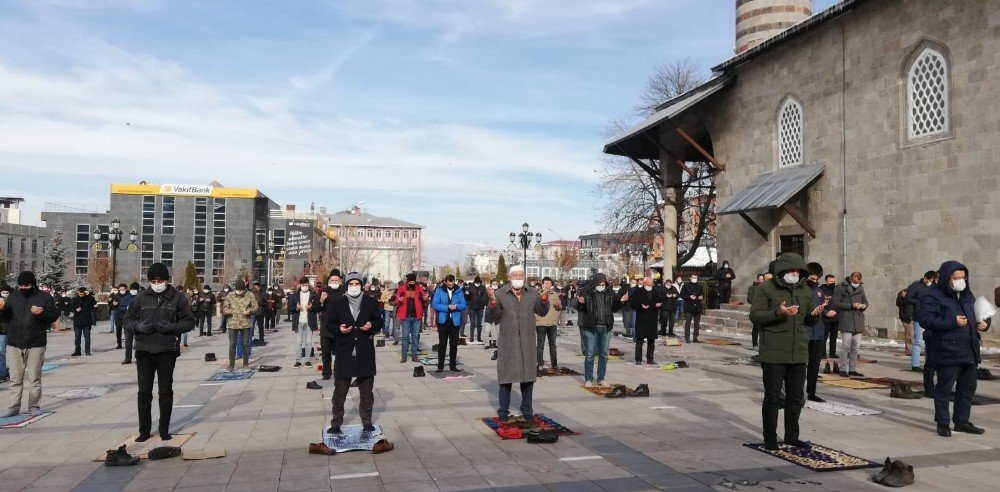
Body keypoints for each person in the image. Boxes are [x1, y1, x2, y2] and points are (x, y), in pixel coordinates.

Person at [748, 253, 822, 450]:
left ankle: (792, 436)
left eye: (798, 271)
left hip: (798, 351)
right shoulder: (765, 288)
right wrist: (778, 313)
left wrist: (815, 315)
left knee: (796, 397)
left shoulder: (805, 291)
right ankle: (770, 437)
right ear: (781, 271)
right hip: (773, 351)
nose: (795, 274)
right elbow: (755, 315)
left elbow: (808, 318)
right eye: (791, 271)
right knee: (773, 397)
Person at [917, 261, 991, 437]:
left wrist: (984, 323)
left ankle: (962, 421)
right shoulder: (933, 295)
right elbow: (925, 320)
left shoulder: (967, 294)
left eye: (963, 277)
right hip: (947, 350)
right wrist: (952, 322)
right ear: (946, 278)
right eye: (956, 278)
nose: (960, 281)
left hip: (969, 349)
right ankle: (942, 422)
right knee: (944, 389)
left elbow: (980, 312)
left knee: (967, 389)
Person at [122, 263, 195, 441]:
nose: (156, 283)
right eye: (153, 281)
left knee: (165, 391)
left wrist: (174, 327)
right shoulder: (141, 297)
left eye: (159, 280)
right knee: (144, 392)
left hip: (166, 349)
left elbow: (190, 322)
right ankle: (144, 431)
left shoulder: (178, 297)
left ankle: (164, 430)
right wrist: (137, 327)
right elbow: (127, 320)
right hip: (144, 349)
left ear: (166, 280)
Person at [485, 265, 550, 422]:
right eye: (515, 276)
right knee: (506, 378)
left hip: (527, 341)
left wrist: (544, 298)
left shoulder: (532, 293)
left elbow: (542, 311)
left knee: (528, 377)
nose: (518, 278)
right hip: (508, 341)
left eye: (521, 275)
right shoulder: (500, 293)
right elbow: (493, 316)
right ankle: (503, 411)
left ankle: (527, 410)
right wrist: (493, 302)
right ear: (509, 277)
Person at [325, 273, 382, 434]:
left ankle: (367, 420)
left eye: (357, 283)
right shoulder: (338, 303)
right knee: (340, 391)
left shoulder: (370, 302)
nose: (354, 286)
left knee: (366, 391)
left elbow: (379, 321)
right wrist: (339, 329)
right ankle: (336, 422)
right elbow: (329, 324)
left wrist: (372, 325)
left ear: (362, 285)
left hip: (365, 351)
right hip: (345, 351)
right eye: (352, 283)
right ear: (347, 285)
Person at [1, 272, 59, 417]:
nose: (24, 288)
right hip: (15, 342)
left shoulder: (44, 297)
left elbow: (53, 316)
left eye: (27, 285)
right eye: (21, 286)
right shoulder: (13, 297)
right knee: (15, 378)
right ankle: (13, 407)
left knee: (34, 377)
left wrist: (41, 313)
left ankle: (34, 405)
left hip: (36, 343)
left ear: (33, 284)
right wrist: (1, 310)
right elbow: (5, 318)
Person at [577, 272, 624, 387]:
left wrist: (622, 301)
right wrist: (581, 303)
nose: (602, 286)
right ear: (595, 283)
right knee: (590, 354)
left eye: (604, 284)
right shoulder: (586, 291)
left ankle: (601, 378)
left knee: (604, 354)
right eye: (600, 284)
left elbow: (614, 308)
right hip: (591, 327)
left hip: (606, 326)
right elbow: (579, 308)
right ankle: (588, 379)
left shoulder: (609, 292)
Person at [832, 272, 868, 377]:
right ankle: (843, 369)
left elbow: (866, 301)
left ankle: (852, 369)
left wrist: (863, 306)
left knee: (855, 347)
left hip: (858, 319)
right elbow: (835, 303)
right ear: (851, 278)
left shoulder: (861, 287)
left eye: (859, 281)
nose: (858, 282)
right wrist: (851, 306)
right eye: (856, 280)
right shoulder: (840, 287)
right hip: (846, 318)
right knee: (845, 346)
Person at [431, 275, 466, 372]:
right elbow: (435, 304)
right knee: (442, 344)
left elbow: (463, 305)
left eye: (452, 283)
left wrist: (456, 306)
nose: (451, 285)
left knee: (454, 345)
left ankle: (453, 366)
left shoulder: (459, 291)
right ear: (445, 282)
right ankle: (440, 366)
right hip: (443, 321)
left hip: (455, 321)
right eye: (449, 283)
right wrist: (447, 307)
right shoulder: (439, 291)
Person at [316, 270, 347, 380]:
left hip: (341, 327)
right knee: (326, 353)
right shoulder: (323, 291)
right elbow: (317, 308)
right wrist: (321, 300)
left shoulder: (345, 291)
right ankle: (326, 373)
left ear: (340, 281)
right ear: (328, 281)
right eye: (332, 280)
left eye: (336, 280)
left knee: (341, 353)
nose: (334, 282)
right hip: (326, 328)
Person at [805, 263, 829, 402]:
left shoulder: (819, 291)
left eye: (816, 279)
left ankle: (811, 392)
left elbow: (821, 308)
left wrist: (825, 309)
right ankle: (795, 392)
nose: (814, 282)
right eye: (812, 278)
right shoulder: (800, 289)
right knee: (801, 365)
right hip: (804, 331)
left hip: (818, 332)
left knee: (815, 364)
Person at [904, 271, 937, 372]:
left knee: (930, 342)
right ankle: (915, 365)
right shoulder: (916, 285)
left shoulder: (933, 287)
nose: (931, 282)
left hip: (931, 317)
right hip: (919, 316)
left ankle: (929, 364)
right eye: (930, 280)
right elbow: (908, 298)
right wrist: (919, 302)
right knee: (919, 341)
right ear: (926, 278)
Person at [223, 279, 258, 371]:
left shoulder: (250, 295)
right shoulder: (230, 295)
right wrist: (226, 311)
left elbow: (255, 307)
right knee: (232, 344)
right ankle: (231, 365)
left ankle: (245, 364)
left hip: (245, 323)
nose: (239, 292)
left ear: (244, 289)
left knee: (246, 344)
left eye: (241, 290)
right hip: (232, 323)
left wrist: (249, 311)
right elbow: (225, 307)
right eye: (237, 290)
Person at [394, 273, 427, 363]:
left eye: (413, 281)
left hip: (416, 317)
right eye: (410, 281)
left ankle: (414, 355)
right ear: (407, 281)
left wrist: (425, 298)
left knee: (415, 336)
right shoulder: (402, 288)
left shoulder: (419, 288)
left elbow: (424, 299)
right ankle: (404, 355)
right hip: (406, 317)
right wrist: (399, 300)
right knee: (405, 337)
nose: (412, 283)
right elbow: (396, 301)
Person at [535, 276, 563, 373]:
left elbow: (560, 308)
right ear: (542, 284)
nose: (547, 285)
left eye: (549, 284)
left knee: (553, 345)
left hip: (552, 323)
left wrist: (558, 306)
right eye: (546, 283)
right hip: (541, 323)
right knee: (540, 345)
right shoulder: (537, 295)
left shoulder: (554, 294)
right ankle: (539, 364)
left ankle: (554, 364)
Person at [631, 276, 661, 365]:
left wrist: (658, 305)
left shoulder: (655, 292)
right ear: (644, 283)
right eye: (648, 284)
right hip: (642, 319)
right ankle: (638, 359)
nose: (650, 286)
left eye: (651, 284)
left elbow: (658, 302)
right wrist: (641, 306)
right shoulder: (638, 292)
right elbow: (633, 304)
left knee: (651, 340)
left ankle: (650, 359)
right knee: (640, 340)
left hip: (652, 319)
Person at [290, 277, 319, 367]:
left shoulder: (313, 295)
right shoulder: (295, 295)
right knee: (298, 342)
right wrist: (296, 308)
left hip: (309, 321)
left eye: (306, 285)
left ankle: (307, 360)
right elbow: (290, 308)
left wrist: (311, 307)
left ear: (308, 284)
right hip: (298, 321)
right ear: (300, 285)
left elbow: (317, 308)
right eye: (303, 285)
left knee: (308, 342)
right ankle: (298, 360)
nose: (304, 287)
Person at [69, 287, 96, 356]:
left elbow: (94, 302)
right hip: (77, 322)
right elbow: (71, 308)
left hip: (87, 321)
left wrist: (89, 295)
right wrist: (75, 310)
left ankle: (87, 351)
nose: (81, 295)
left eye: (82, 294)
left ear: (85, 293)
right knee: (77, 337)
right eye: (80, 294)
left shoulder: (89, 298)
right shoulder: (75, 299)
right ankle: (77, 351)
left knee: (87, 337)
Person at [819, 274, 839, 362]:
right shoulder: (821, 289)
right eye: (831, 281)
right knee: (824, 336)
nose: (833, 283)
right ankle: (822, 353)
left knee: (834, 337)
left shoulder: (837, 290)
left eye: (834, 281)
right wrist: (826, 312)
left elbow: (839, 301)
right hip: (825, 317)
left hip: (835, 316)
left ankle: (832, 353)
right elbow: (819, 303)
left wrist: (836, 311)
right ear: (826, 281)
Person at [680, 275, 705, 343]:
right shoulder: (686, 286)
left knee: (697, 323)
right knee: (688, 323)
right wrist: (689, 297)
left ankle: (695, 337)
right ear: (690, 278)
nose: (694, 279)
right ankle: (687, 337)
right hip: (689, 307)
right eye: (693, 277)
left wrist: (701, 297)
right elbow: (681, 295)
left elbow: (703, 295)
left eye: (696, 278)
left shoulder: (699, 286)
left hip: (698, 307)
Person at [119, 283, 139, 364]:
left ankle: (138, 358)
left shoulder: (140, 297)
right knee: (128, 342)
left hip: (138, 322)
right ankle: (128, 358)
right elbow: (121, 307)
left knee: (138, 342)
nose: (133, 291)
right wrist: (126, 308)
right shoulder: (126, 298)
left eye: (135, 289)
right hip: (127, 322)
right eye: (132, 289)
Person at [466, 276, 489, 343]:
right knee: (472, 323)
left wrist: (484, 304)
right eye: (476, 283)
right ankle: (471, 338)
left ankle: (479, 337)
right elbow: (467, 297)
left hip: (480, 307)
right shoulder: (469, 287)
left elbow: (485, 297)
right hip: (472, 308)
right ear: (474, 282)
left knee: (479, 323)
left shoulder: (482, 287)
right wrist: (467, 296)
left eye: (478, 283)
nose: (477, 284)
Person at [0, 285, 11, 383]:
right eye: (3, 292)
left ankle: (2, 374)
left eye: (7, 292)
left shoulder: (11, 302)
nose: (5, 294)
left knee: (1, 351)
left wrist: (3, 309)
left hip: (5, 330)